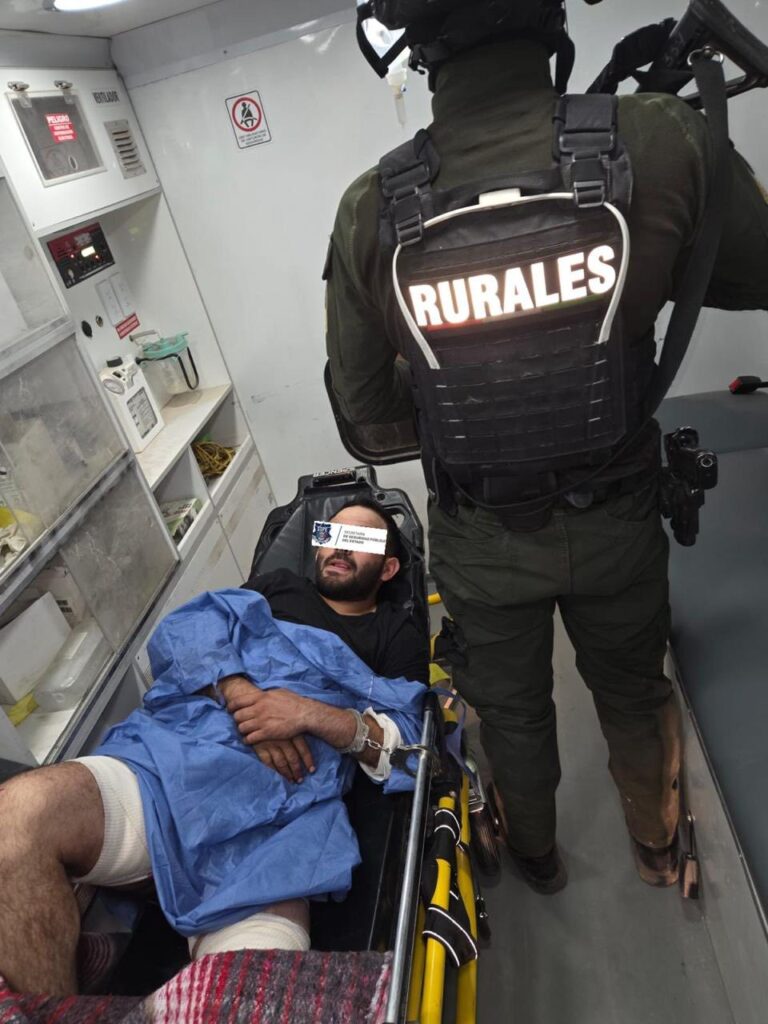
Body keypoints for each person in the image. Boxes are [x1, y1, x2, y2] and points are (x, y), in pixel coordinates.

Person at [325, 0, 768, 894]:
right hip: (618, 516)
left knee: (513, 716)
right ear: (550, 23)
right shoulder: (658, 136)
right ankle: (657, 847)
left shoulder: (371, 209)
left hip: (482, 537)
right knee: (635, 692)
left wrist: (465, 391)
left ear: (420, 49)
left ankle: (536, 858)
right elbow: (751, 272)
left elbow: (369, 420)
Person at [0, 501, 428, 995]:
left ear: (388, 569)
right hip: (172, 762)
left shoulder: (394, 633)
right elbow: (193, 629)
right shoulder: (277, 588)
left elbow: (410, 747)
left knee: (246, 996)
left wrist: (307, 713)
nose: (339, 549)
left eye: (359, 541)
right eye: (332, 536)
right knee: (18, 818)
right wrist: (239, 690)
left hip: (279, 819)